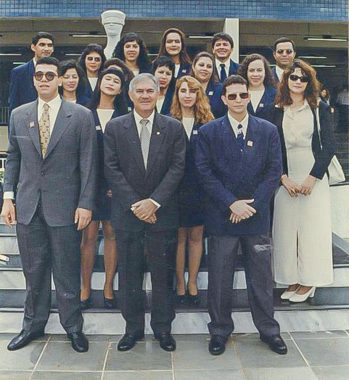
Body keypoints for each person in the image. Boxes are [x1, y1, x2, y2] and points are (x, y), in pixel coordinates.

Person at [1, 57, 97, 353]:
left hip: (66, 207)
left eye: (49, 75)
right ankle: (33, 325)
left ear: (59, 80)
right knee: (34, 270)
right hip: (28, 206)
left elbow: (88, 163)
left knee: (67, 270)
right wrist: (8, 198)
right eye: (39, 75)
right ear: (33, 80)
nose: (43, 79)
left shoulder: (80, 115)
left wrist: (85, 204)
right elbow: (13, 158)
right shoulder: (19, 114)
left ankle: (73, 327)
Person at [195, 75, 287, 356]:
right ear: (223, 99)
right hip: (223, 218)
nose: (238, 100)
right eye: (232, 96)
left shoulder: (268, 130)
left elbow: (274, 171)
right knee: (220, 279)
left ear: (249, 97)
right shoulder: (209, 131)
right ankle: (220, 331)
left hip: (256, 218)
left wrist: (252, 205)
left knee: (260, 278)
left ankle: (269, 330)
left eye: (242, 95)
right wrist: (231, 204)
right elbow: (203, 172)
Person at [104, 73, 186, 352]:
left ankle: (163, 329)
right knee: (129, 275)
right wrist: (137, 205)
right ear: (130, 95)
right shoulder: (115, 128)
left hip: (163, 214)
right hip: (128, 216)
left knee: (163, 275)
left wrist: (154, 202)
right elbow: (111, 169)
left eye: (150, 90)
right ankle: (133, 329)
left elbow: (178, 168)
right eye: (139, 91)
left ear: (158, 93)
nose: (145, 95)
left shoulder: (173, 127)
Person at [268, 59, 335, 302]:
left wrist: (311, 179)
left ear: (309, 82)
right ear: (285, 81)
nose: (297, 82)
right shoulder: (276, 109)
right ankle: (292, 279)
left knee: (311, 230)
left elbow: (329, 147)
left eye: (302, 78)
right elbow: (272, 148)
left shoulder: (319, 108)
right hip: (286, 177)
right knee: (285, 230)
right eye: (293, 77)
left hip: (312, 174)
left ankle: (309, 281)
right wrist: (283, 178)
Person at [80, 68, 128, 310]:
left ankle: (108, 286)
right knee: (88, 237)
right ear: (99, 83)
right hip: (89, 185)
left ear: (121, 89)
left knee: (112, 234)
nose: (111, 83)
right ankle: (85, 287)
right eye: (107, 78)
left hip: (115, 187)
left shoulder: (125, 115)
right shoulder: (83, 113)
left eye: (116, 81)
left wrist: (116, 185)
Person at [170, 75, 214, 305]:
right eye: (183, 90)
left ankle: (193, 281)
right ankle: (179, 282)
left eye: (192, 91)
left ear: (199, 95)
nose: (187, 95)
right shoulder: (168, 121)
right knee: (179, 237)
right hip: (175, 189)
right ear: (177, 94)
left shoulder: (208, 122)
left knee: (196, 236)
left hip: (200, 188)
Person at [9, 32, 54, 114]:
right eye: (42, 45)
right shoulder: (19, 72)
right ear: (33, 47)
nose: (46, 48)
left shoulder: (59, 71)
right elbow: (14, 103)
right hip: (27, 119)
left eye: (50, 45)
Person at [238, 53, 276, 119]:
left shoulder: (276, 94)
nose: (255, 74)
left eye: (259, 70)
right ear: (245, 72)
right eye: (251, 70)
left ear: (265, 72)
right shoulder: (238, 94)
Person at [191, 51, 226, 118]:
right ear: (193, 67)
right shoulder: (185, 87)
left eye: (209, 66)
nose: (205, 69)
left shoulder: (221, 89)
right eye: (201, 65)